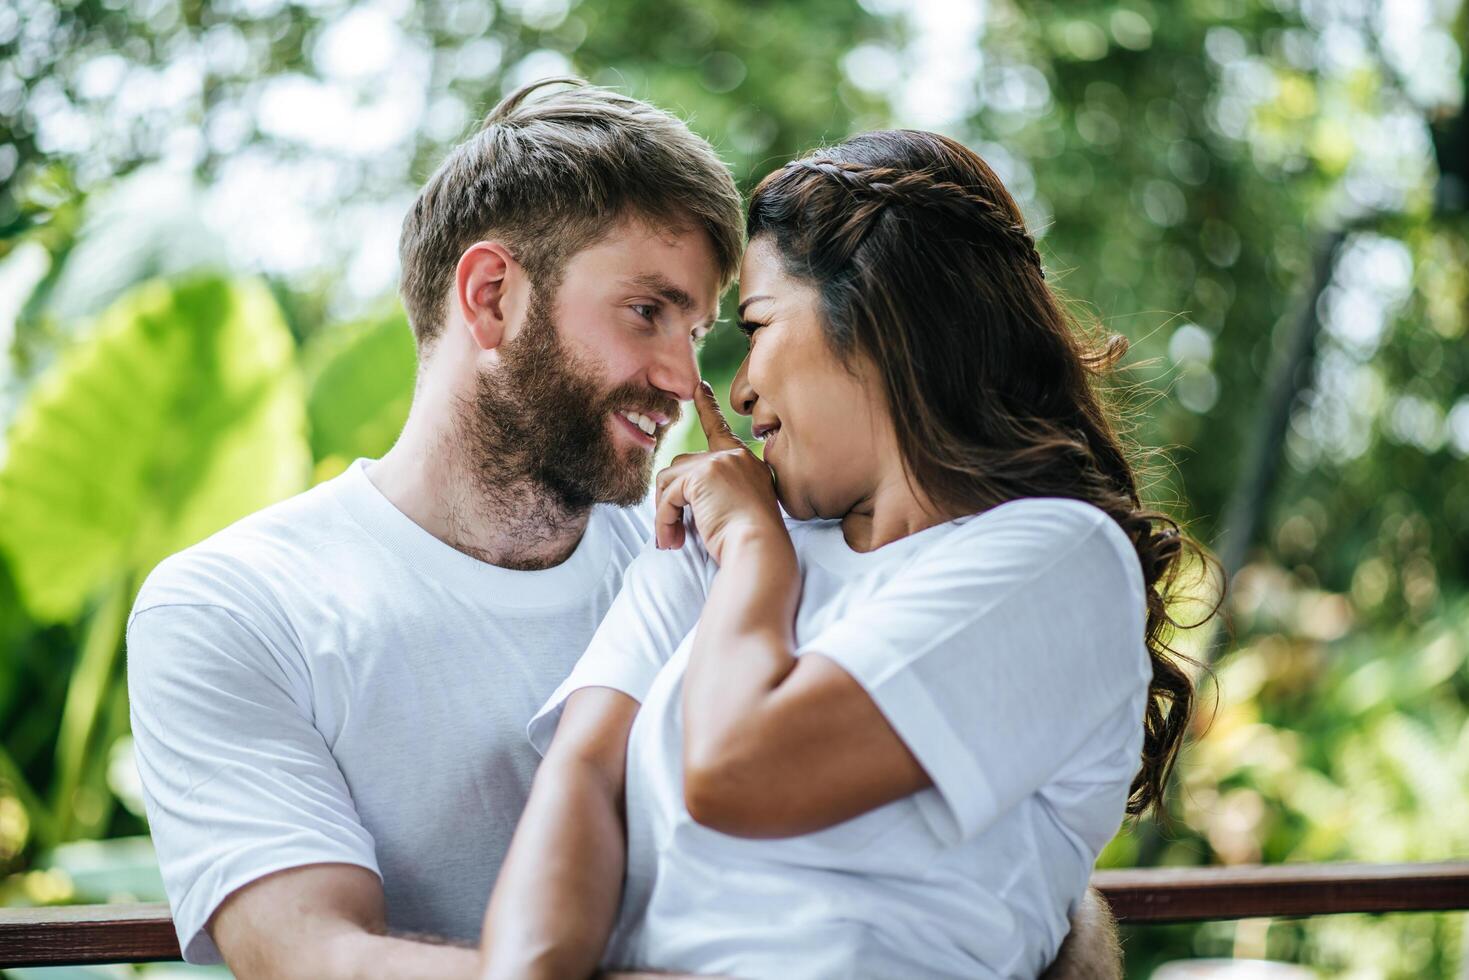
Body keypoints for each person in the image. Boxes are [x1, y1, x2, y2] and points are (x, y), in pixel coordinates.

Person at [480, 131, 1207, 979]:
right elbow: (583, 782)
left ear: (876, 319)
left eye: (755, 326)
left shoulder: (1057, 561)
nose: (738, 390)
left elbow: (742, 771)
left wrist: (756, 552)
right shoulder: (697, 554)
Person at [125, 78, 743, 977]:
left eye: (697, 329)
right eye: (648, 312)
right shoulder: (232, 607)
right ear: (492, 295)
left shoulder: (704, 570)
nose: (686, 379)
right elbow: (312, 955)